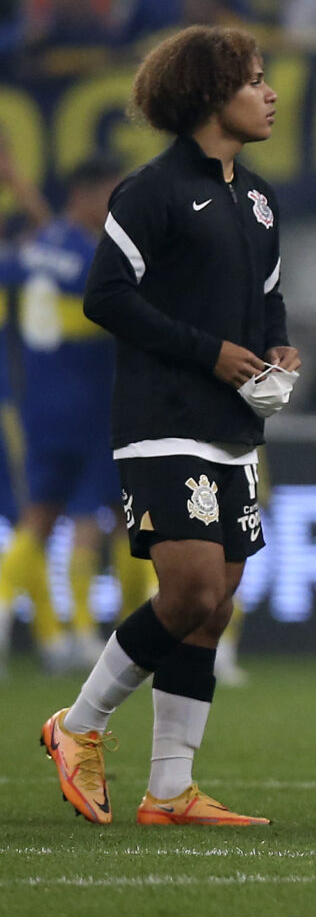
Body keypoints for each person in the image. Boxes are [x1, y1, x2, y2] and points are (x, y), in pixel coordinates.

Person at [42, 27, 293, 828]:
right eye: (255, 80)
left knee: (215, 603)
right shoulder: (148, 191)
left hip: (230, 426)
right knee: (186, 588)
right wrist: (208, 351)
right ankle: (77, 724)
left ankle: (170, 789)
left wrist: (278, 343)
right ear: (211, 95)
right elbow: (106, 297)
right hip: (162, 418)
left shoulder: (257, 196)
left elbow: (271, 297)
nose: (270, 93)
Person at [0, 160, 123, 672]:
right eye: (113, 194)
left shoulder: (32, 251)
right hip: (91, 407)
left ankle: (51, 631)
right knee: (97, 516)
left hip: (37, 402)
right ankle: (85, 633)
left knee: (42, 518)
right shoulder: (95, 259)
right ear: (88, 194)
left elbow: (45, 244)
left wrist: (21, 185)